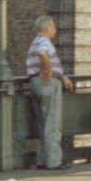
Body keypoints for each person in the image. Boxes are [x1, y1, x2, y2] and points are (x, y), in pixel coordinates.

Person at [25, 15, 74, 170]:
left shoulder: (34, 41)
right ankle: (54, 162)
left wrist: (61, 76)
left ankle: (42, 160)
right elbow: (42, 53)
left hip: (35, 82)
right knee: (52, 123)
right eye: (53, 27)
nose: (55, 30)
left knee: (42, 124)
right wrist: (48, 69)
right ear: (46, 29)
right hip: (47, 83)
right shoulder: (44, 41)